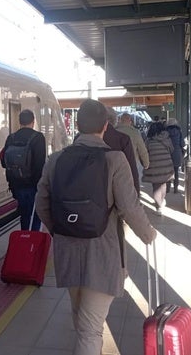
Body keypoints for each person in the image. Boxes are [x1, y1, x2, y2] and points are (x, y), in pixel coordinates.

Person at [35, 98, 157, 355]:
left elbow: (41, 204)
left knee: (82, 321)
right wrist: (148, 234)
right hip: (102, 255)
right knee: (90, 330)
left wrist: (60, 232)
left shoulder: (56, 159)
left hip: (68, 253)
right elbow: (129, 207)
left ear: (77, 125)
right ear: (105, 126)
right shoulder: (115, 160)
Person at [0, 109, 46, 231]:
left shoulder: (11, 137)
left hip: (17, 185)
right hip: (33, 186)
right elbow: (39, 165)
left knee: (24, 215)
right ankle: (32, 245)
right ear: (33, 121)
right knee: (35, 216)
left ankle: (23, 240)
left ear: (19, 121)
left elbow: (4, 162)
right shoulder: (38, 138)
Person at [104, 107, 140, 193]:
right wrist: (136, 192)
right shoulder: (123, 139)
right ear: (115, 120)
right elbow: (131, 167)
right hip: (119, 187)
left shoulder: (80, 139)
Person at [142, 121, 174, 215]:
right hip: (166, 165)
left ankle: (159, 206)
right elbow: (172, 149)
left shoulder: (148, 141)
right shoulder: (166, 139)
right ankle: (161, 201)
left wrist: (145, 164)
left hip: (154, 166)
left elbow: (145, 153)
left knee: (156, 186)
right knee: (163, 184)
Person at [116, 112, 150, 185]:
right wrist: (146, 163)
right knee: (133, 183)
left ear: (120, 120)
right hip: (133, 162)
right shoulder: (135, 133)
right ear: (130, 121)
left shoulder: (114, 131)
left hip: (117, 163)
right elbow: (142, 150)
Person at [165, 118, 185, 194]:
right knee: (176, 171)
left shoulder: (165, 132)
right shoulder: (179, 132)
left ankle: (168, 188)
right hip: (177, 153)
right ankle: (175, 188)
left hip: (168, 152)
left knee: (168, 171)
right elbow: (182, 144)